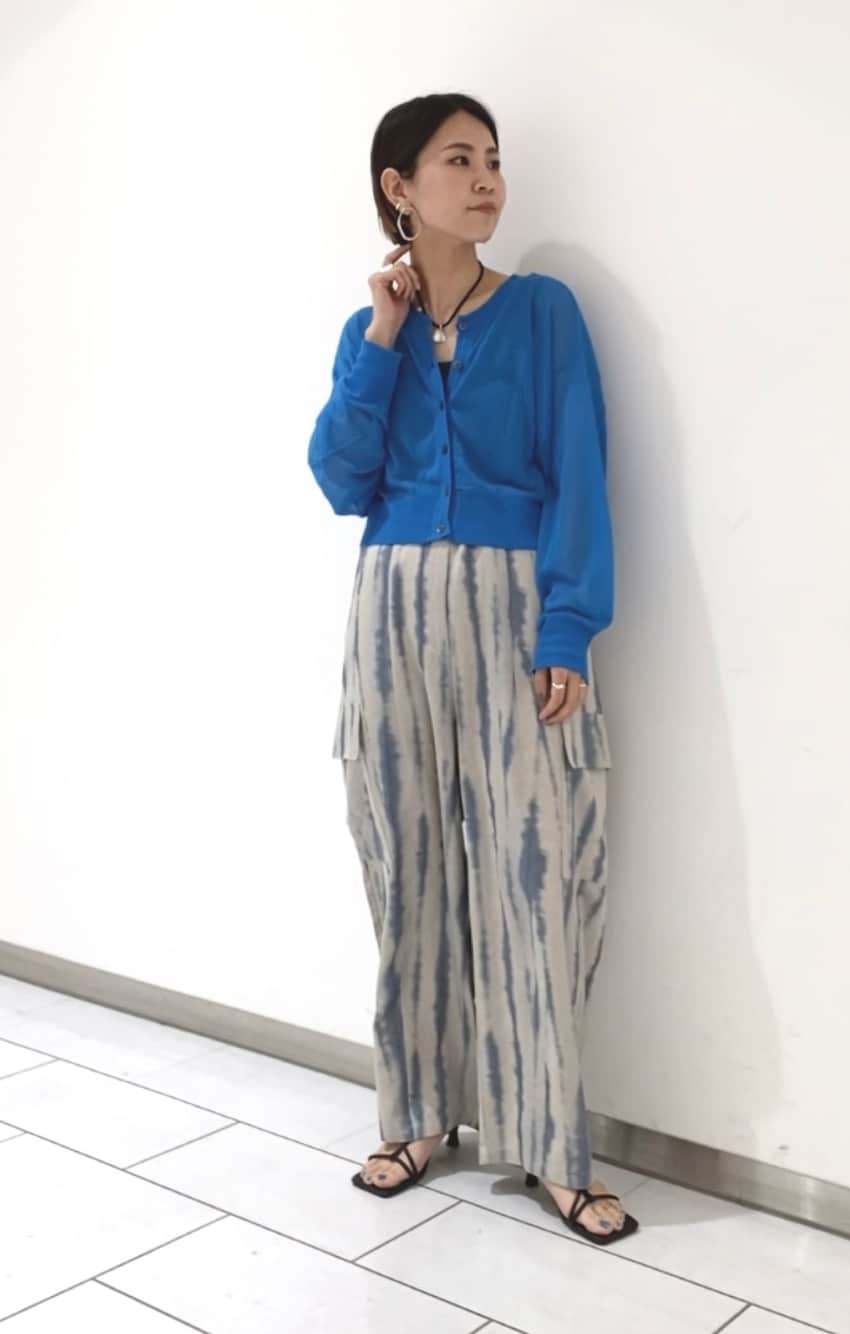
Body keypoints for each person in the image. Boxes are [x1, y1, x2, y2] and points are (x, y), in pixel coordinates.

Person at [307, 93, 637, 1245]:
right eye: (458, 159)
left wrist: (567, 630)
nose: (486, 177)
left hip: (511, 609)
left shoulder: (542, 313)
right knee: (405, 868)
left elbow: (580, 473)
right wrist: (383, 335)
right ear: (399, 187)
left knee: (536, 873)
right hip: (390, 608)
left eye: (492, 158)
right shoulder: (370, 334)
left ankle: (551, 1145)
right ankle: (413, 1115)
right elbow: (340, 480)